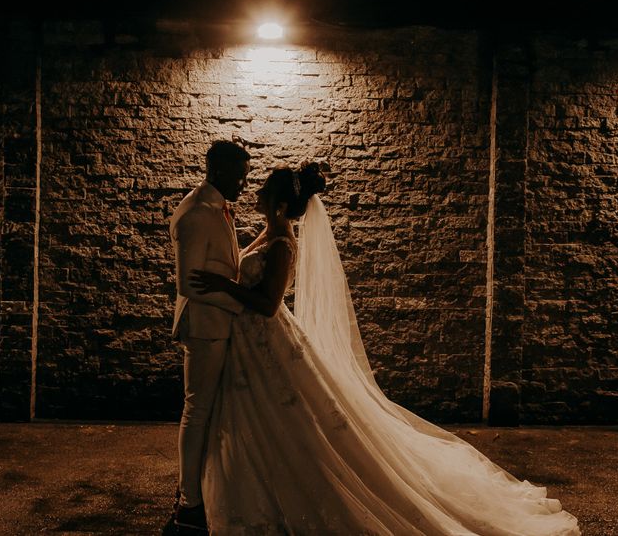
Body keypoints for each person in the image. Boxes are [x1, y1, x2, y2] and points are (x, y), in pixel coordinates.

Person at [189, 162, 582, 535]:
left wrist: (223, 286)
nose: (254, 191)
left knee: (291, 423)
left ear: (277, 204)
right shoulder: (269, 232)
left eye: (263, 189)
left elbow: (270, 304)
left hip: (265, 337)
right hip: (250, 342)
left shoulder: (281, 245)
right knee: (260, 420)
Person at [167, 139, 250, 533]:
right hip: (205, 327)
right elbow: (189, 283)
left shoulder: (216, 207)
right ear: (218, 171)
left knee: (206, 411)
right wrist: (242, 304)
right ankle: (189, 502)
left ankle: (197, 487)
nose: (244, 184)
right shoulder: (197, 214)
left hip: (216, 326)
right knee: (196, 411)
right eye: (240, 175)